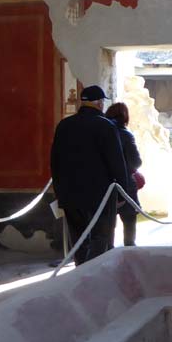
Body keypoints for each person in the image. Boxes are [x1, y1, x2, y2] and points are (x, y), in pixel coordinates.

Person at [50, 85, 130, 265]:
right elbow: (116, 163)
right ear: (100, 103)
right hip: (100, 194)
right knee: (100, 237)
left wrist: (59, 191)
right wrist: (122, 192)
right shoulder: (106, 126)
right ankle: (94, 273)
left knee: (78, 238)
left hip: (70, 193)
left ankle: (80, 270)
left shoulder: (64, 125)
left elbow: (55, 161)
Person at [105, 102, 143, 247]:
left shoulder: (101, 133)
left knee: (107, 226)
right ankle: (129, 249)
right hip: (125, 183)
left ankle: (108, 251)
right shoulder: (126, 135)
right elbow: (136, 162)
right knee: (129, 221)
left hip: (105, 183)